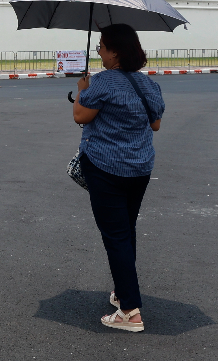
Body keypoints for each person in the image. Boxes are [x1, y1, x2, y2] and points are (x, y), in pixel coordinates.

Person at [72, 24, 165, 333]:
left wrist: (82, 92)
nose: (98, 50)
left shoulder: (103, 82)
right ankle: (122, 291)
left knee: (115, 236)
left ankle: (129, 311)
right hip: (139, 167)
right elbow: (155, 125)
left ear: (115, 51)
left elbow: (80, 117)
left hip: (106, 168)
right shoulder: (147, 84)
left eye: (101, 46)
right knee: (125, 230)